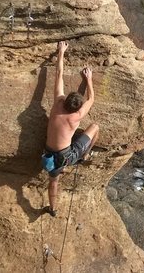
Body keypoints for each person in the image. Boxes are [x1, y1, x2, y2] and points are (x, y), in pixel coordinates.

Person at [43, 41, 99, 217]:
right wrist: (89, 79)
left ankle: (52, 209)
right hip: (66, 155)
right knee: (95, 127)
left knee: (53, 182)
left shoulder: (57, 103)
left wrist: (61, 52)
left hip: (48, 154)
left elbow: (59, 74)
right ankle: (85, 154)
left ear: (65, 100)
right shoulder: (77, 116)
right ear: (77, 108)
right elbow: (91, 98)